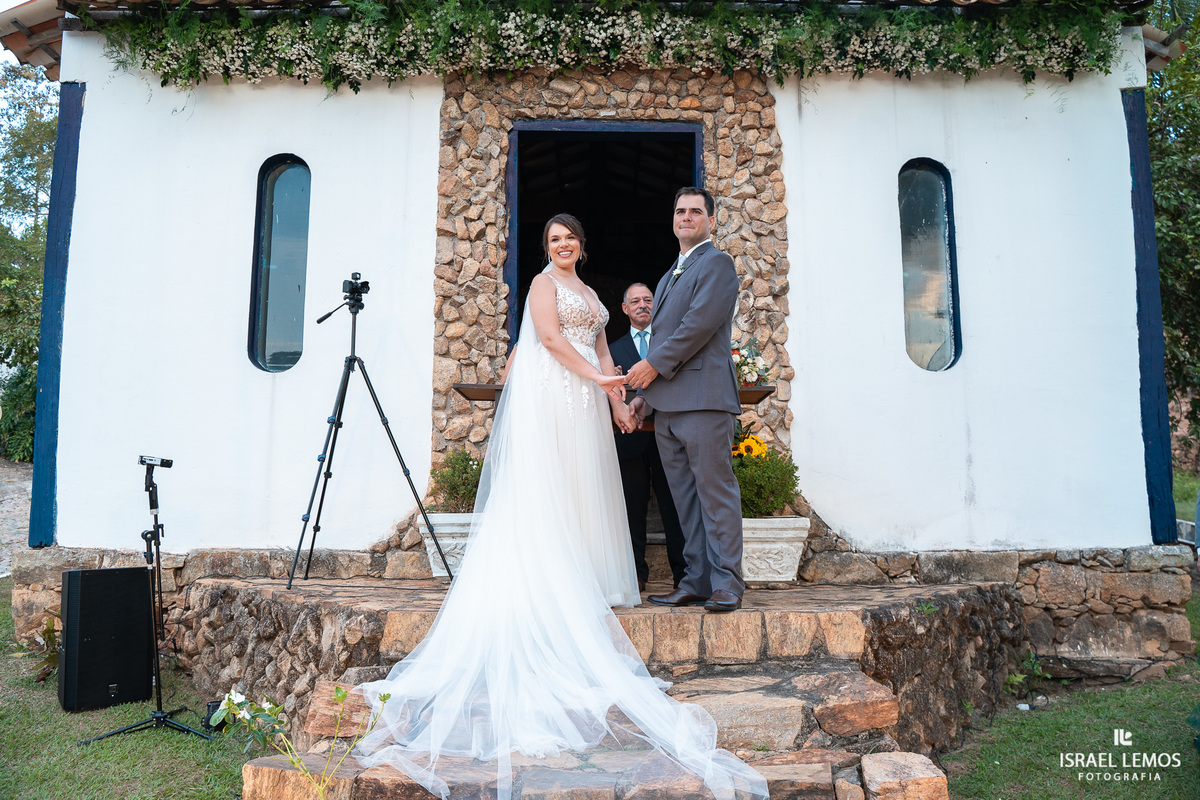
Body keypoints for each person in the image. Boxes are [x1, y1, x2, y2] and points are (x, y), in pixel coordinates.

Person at [354, 214, 767, 800]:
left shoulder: (595, 295)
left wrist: (620, 398)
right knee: (550, 487)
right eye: (554, 240)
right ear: (547, 249)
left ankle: (598, 579)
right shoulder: (543, 286)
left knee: (587, 487)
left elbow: (601, 341)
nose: (564, 245)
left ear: (583, 243)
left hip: (590, 396)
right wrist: (603, 384)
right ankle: (552, 580)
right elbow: (548, 340)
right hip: (555, 391)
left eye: (570, 237)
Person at [625, 187, 745, 613]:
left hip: (704, 402)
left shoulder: (717, 264)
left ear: (710, 219)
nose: (687, 217)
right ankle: (695, 579)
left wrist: (651, 368)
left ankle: (728, 582)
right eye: (680, 211)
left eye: (696, 211)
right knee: (684, 501)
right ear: (672, 220)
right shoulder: (667, 274)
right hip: (669, 408)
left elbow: (696, 327)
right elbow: (665, 333)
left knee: (715, 493)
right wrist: (646, 399)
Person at [609, 282, 687, 591]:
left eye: (648, 300)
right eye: (635, 301)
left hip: (669, 433)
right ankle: (636, 574)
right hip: (630, 436)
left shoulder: (672, 344)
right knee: (631, 506)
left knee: (674, 505)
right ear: (625, 309)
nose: (643, 305)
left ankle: (683, 574)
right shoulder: (611, 351)